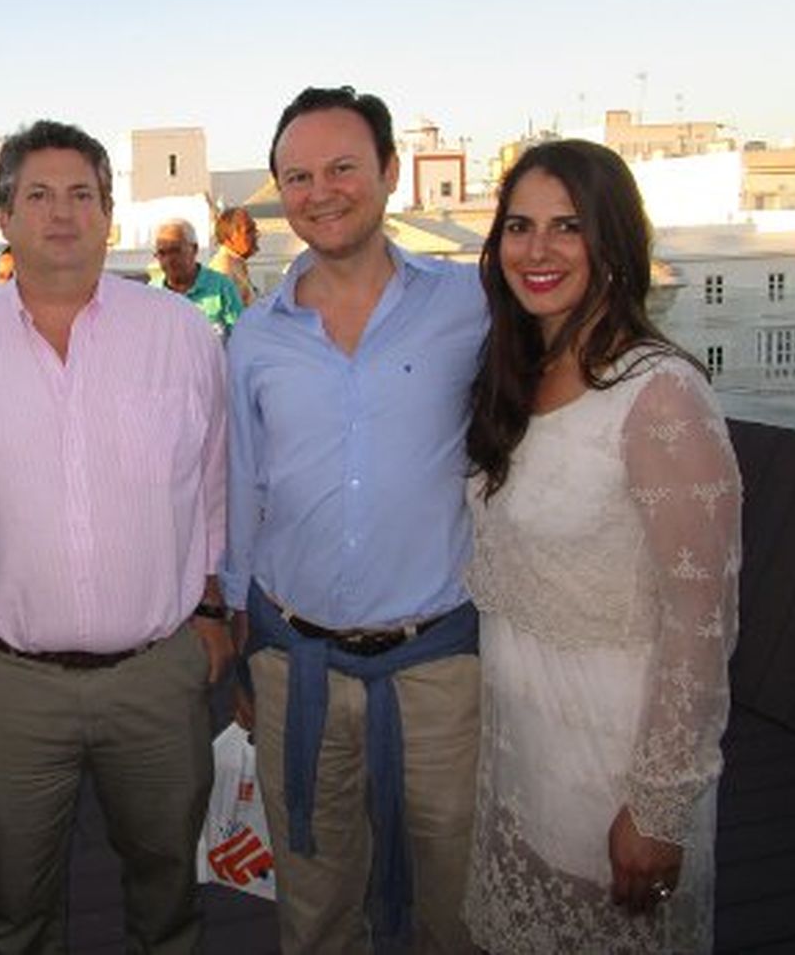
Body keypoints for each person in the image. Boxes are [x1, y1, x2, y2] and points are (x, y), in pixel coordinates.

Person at [0, 119, 231, 953]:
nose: (62, 214)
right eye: (38, 196)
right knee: (11, 909)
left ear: (109, 215)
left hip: (157, 680)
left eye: (82, 195)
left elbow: (219, 489)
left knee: (169, 901)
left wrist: (216, 612)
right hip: (9, 688)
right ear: (3, 217)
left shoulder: (181, 336)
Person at [224, 85, 486, 953]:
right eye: (296, 176)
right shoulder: (256, 337)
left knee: (454, 898)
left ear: (389, 172)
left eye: (342, 167)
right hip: (296, 663)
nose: (320, 191)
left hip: (439, 667)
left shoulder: (471, 304)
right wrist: (237, 630)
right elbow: (242, 484)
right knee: (313, 896)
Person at [463, 139, 741, 953]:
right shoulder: (519, 371)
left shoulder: (661, 396)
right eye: (519, 226)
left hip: (607, 768)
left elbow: (702, 623)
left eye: (567, 227)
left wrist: (657, 807)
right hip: (518, 759)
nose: (537, 250)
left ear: (613, 242)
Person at [152, 219, 244, 338]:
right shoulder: (152, 292)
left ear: (194, 249)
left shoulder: (222, 288)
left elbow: (240, 338)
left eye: (175, 251)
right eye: (162, 253)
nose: (169, 260)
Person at [208, 206, 259, 307]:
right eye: (249, 231)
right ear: (229, 237)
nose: (256, 235)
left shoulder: (236, 263)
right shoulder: (223, 269)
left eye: (255, 229)